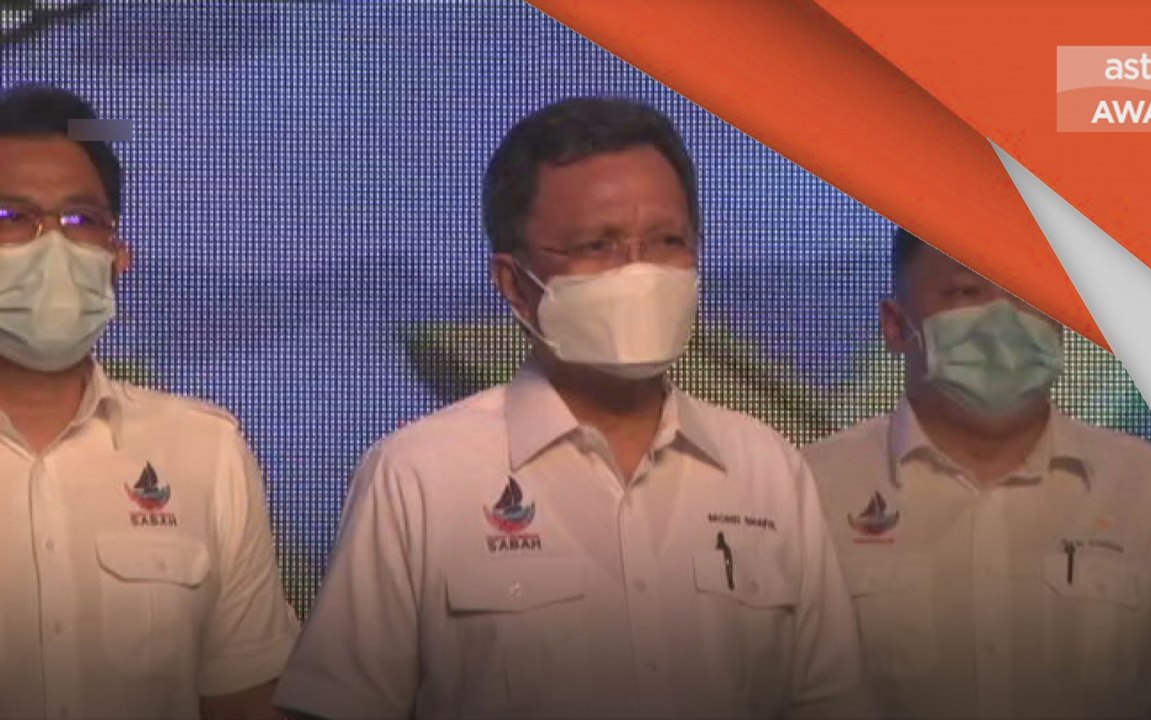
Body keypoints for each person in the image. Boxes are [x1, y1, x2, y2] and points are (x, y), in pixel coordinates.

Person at [275, 97, 873, 719]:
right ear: (514, 284)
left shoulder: (767, 467)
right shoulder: (419, 475)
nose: (639, 272)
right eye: (598, 245)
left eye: (667, 241)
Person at [803, 227, 1151, 719]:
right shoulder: (811, 490)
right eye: (966, 293)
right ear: (895, 325)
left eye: (1027, 292)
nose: (1004, 320)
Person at [0, 84, 299, 720]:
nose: (52, 246)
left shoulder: (207, 452)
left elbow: (245, 700)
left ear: (118, 258)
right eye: (12, 217)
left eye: (82, 221)